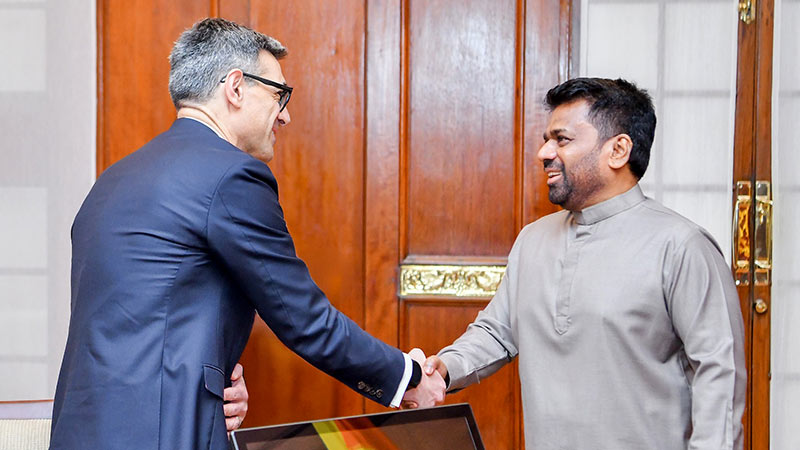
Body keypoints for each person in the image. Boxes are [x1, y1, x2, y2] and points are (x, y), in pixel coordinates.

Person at [50, 18, 444, 449]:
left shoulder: (113, 180)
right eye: (280, 94)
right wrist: (405, 378)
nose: (286, 114)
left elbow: (138, 324)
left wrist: (208, 383)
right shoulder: (231, 176)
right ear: (235, 87)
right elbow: (304, 320)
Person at [420, 78, 746, 449]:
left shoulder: (682, 246)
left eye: (562, 139)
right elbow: (497, 333)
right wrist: (442, 370)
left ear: (618, 150)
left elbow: (720, 373)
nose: (544, 152)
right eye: (547, 139)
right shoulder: (533, 240)